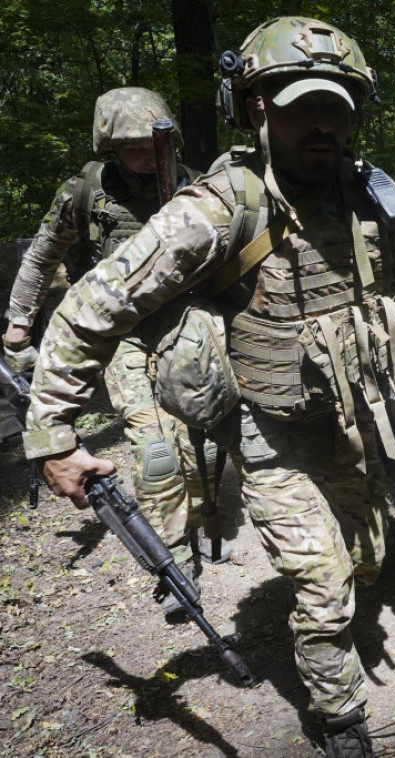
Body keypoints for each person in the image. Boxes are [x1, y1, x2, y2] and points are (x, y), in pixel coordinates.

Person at [21, 17, 395, 757]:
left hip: (355, 422)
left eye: (337, 108)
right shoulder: (218, 209)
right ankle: (342, 721)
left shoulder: (374, 199)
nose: (322, 125)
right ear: (257, 111)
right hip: (272, 433)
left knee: (369, 556)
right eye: (301, 106)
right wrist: (53, 434)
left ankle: (339, 619)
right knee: (324, 582)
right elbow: (88, 309)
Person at [1, 87, 217, 620]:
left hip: (186, 326)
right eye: (132, 148)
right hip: (118, 331)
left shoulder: (193, 185)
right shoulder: (86, 193)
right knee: (152, 447)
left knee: (201, 441)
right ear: (109, 148)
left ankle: (206, 517)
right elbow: (42, 254)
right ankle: (178, 560)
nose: (146, 157)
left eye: (154, 146)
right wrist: (19, 320)